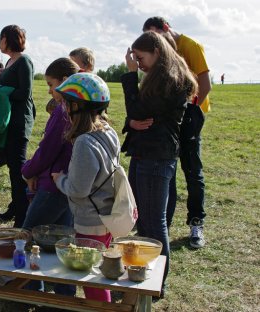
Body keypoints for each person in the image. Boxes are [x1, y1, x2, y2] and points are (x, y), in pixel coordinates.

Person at [121, 31, 198, 298]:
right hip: (146, 154)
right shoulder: (160, 76)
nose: (138, 63)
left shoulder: (169, 79)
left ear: (157, 51)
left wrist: (131, 76)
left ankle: (157, 284)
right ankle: (145, 274)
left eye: (141, 58)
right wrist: (131, 123)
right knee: (144, 221)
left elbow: (138, 110)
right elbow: (137, 116)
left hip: (156, 157)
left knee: (154, 224)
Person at [143, 16, 211, 248]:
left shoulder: (190, 46)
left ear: (167, 29)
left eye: (158, 36)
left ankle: (196, 225)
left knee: (192, 171)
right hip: (169, 120)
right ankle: (164, 223)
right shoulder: (161, 52)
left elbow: (205, 84)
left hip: (189, 115)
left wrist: (189, 114)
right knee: (167, 172)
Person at [51, 72, 118, 302]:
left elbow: (78, 189)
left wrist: (59, 179)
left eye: (67, 104)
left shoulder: (83, 142)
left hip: (90, 222)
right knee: (98, 273)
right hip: (106, 216)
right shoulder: (108, 132)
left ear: (78, 107)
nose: (65, 109)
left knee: (92, 282)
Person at [21, 57, 79, 296]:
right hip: (67, 187)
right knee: (63, 245)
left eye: (51, 84)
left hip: (53, 188)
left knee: (27, 239)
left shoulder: (63, 111)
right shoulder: (76, 108)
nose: (48, 90)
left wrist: (27, 171)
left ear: (65, 82)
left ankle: (33, 291)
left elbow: (47, 150)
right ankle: (64, 295)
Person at [0, 25, 36, 227]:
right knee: (12, 167)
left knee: (18, 168)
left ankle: (23, 216)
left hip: (20, 121)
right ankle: (16, 207)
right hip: (8, 121)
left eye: (0, 38)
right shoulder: (10, 61)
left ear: (8, 39)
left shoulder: (24, 62)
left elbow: (24, 94)